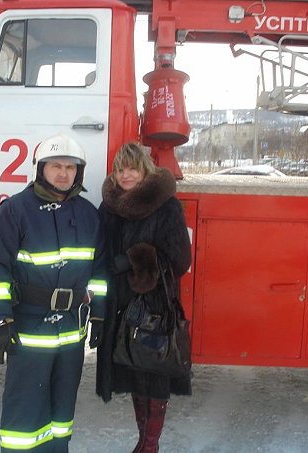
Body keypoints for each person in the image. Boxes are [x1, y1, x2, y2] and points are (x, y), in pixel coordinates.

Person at [0, 133, 107, 452]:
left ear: (79, 172)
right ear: (40, 169)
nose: (63, 173)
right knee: (23, 419)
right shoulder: (15, 211)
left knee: (62, 416)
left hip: (71, 334)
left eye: (70, 167)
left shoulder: (89, 215)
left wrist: (100, 315)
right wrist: (0, 319)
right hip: (28, 331)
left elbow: (100, 271)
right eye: (55, 166)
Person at [95, 142, 192, 453]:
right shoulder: (109, 208)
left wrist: (133, 259)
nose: (125, 175)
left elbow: (180, 259)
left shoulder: (166, 206)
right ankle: (142, 441)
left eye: (132, 169)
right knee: (134, 375)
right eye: (120, 170)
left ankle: (150, 446)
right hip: (120, 304)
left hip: (154, 305)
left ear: (145, 170)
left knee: (154, 377)